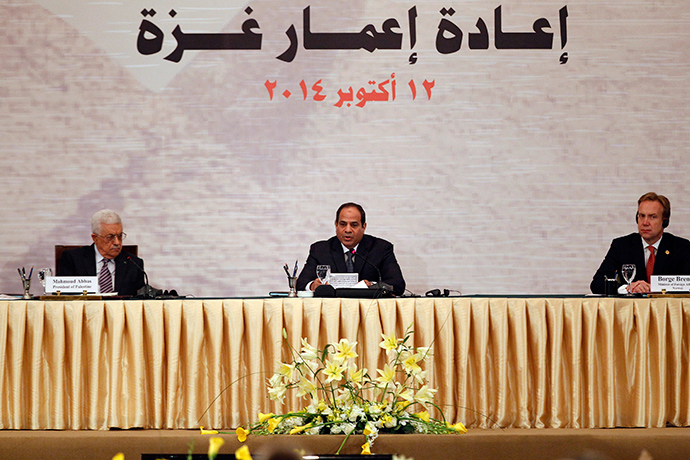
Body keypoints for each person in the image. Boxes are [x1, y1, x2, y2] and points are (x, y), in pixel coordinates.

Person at [296, 202, 406, 296]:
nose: (347, 230)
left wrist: (372, 286)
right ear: (336, 225)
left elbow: (397, 285)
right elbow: (301, 284)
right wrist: (312, 286)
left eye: (354, 225)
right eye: (343, 224)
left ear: (364, 226)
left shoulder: (381, 248)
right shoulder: (320, 250)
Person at [590, 192, 690, 294]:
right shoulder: (621, 245)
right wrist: (627, 288)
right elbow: (597, 283)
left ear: (665, 221)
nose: (645, 222)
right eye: (642, 216)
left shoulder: (681, 247)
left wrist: (657, 287)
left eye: (652, 217)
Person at [57, 209, 145, 296]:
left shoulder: (134, 263)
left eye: (120, 236)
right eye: (110, 237)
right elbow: (60, 293)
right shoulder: (73, 259)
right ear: (95, 238)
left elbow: (141, 299)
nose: (117, 242)